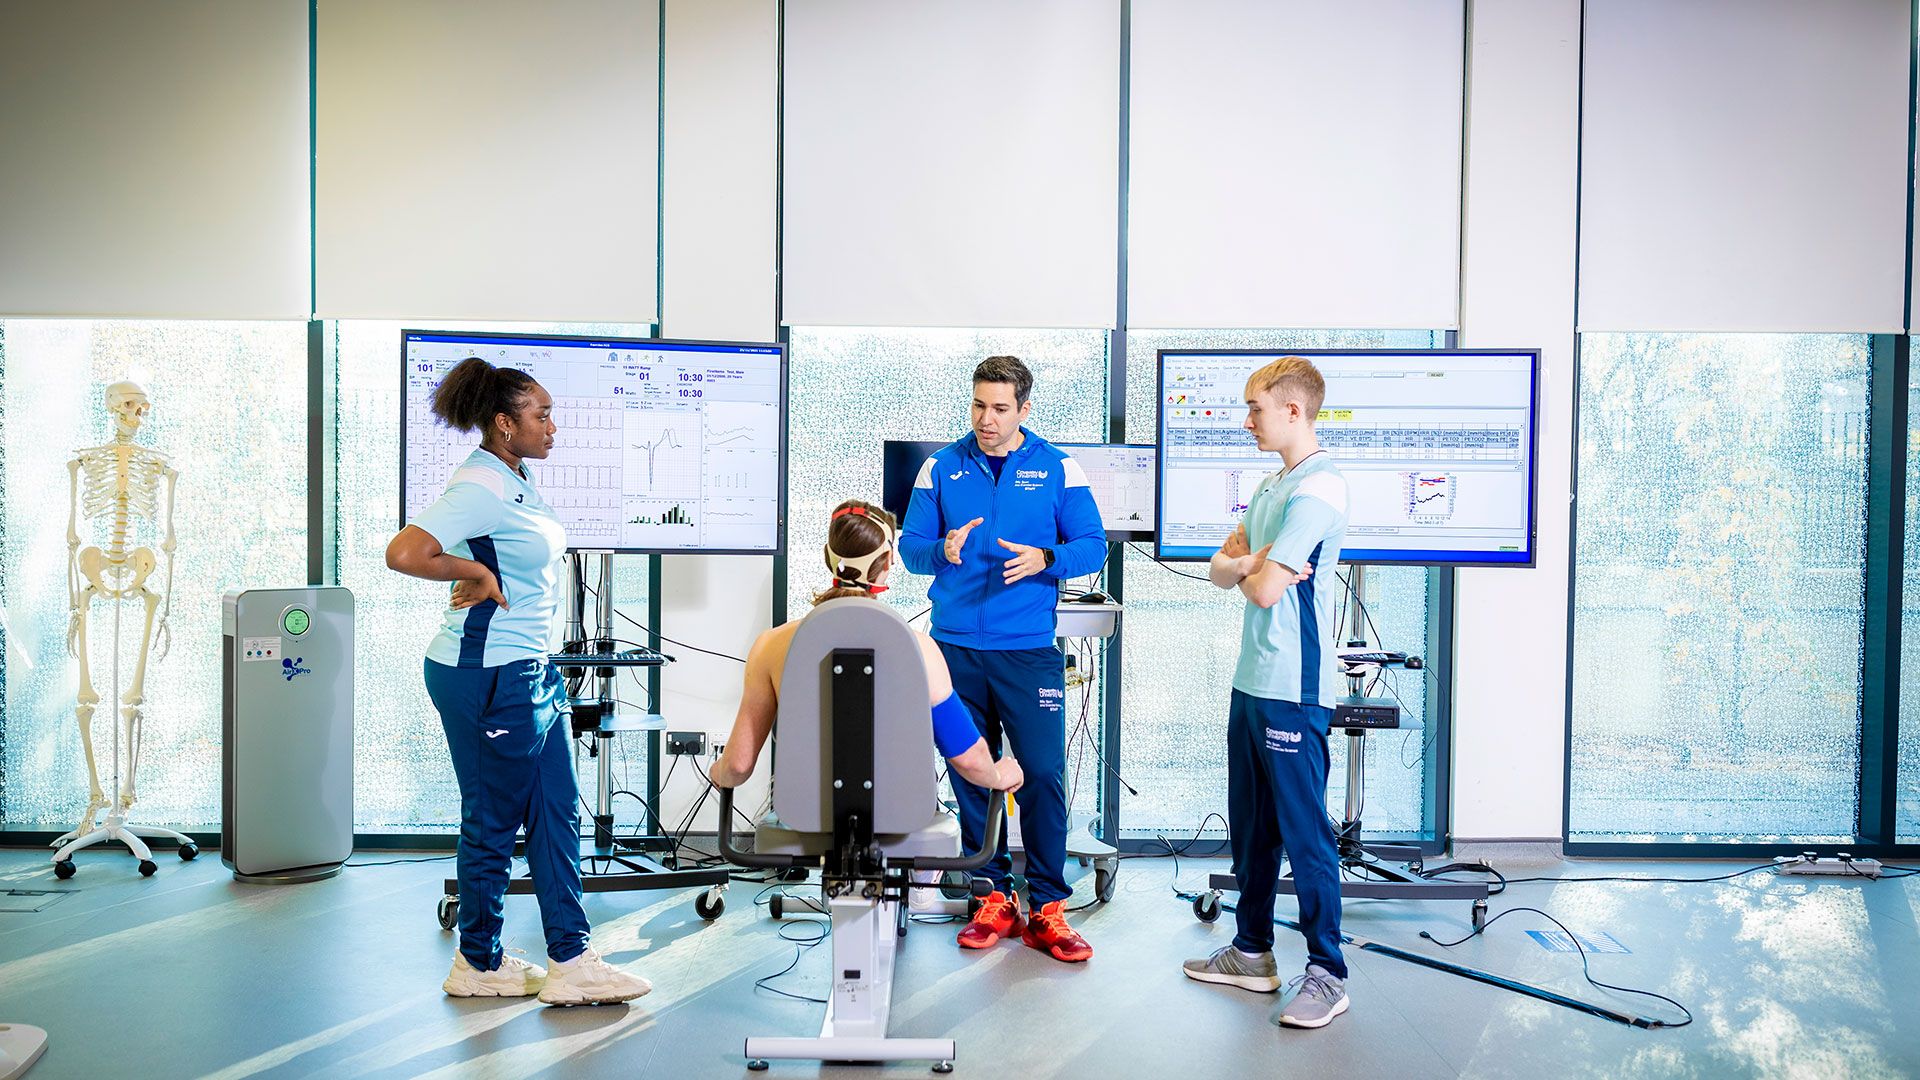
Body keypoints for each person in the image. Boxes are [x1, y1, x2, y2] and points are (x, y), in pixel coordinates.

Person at [386, 356, 651, 1007]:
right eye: (542, 414)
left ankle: (571, 957)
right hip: (487, 673)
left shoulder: (514, 477)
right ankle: (478, 962)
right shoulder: (481, 484)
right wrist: (474, 576)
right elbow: (405, 552)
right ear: (505, 423)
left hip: (529, 670)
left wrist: (479, 571)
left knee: (556, 811)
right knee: (494, 819)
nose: (554, 425)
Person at [897, 355, 1106, 963]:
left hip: (1028, 651)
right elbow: (909, 549)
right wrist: (942, 548)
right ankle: (993, 897)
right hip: (955, 650)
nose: (986, 419)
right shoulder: (942, 466)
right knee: (973, 774)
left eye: (1000, 408)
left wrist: (1047, 559)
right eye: (978, 406)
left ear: (1024, 409)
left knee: (1041, 774)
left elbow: (1090, 545)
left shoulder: (1056, 466)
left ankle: (1047, 907)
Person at [1180, 355, 1350, 1029]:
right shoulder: (1270, 487)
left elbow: (1262, 588)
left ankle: (1328, 972)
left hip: (1293, 688)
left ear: (1293, 411)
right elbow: (1223, 570)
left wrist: (1249, 565)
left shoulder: (1321, 491)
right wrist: (1253, 559)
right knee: (1251, 832)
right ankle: (1253, 951)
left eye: (1255, 408)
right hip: (1251, 681)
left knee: (1305, 835)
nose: (1246, 420)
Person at [709, 499, 1024, 798]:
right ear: (889, 562)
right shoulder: (920, 650)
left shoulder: (771, 645)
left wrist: (718, 771)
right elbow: (969, 760)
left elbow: (737, 766)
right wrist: (998, 774)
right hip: (902, 819)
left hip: (802, 819)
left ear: (827, 557)